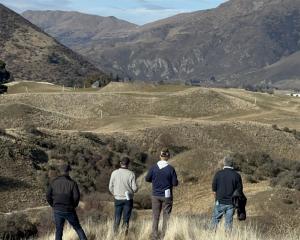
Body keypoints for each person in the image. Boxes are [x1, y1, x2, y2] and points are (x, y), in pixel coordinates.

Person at [46, 164, 87, 240]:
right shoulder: (72, 183)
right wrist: (73, 206)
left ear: (60, 172)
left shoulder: (53, 182)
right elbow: (76, 197)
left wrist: (53, 205)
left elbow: (48, 196)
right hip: (69, 210)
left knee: (59, 230)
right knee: (77, 228)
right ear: (68, 172)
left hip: (57, 210)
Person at [145, 148, 179, 240]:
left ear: (160, 156)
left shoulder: (153, 168)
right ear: (168, 156)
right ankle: (164, 236)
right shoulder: (171, 169)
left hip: (155, 195)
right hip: (167, 196)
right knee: (166, 216)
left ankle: (154, 236)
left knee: (155, 216)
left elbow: (147, 179)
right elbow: (175, 183)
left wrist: (155, 180)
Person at [211, 156, 243, 231]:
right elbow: (239, 191)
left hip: (220, 201)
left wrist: (216, 200)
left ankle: (210, 236)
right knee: (228, 223)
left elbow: (214, 190)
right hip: (231, 204)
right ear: (232, 164)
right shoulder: (237, 175)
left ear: (224, 163)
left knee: (215, 221)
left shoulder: (218, 174)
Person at [109, 157, 138, 234]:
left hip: (117, 198)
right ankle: (124, 235)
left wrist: (115, 194)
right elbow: (134, 188)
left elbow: (110, 187)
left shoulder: (114, 173)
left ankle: (115, 235)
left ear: (120, 163)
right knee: (126, 219)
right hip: (128, 199)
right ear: (128, 164)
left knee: (117, 218)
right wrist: (134, 190)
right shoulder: (131, 174)